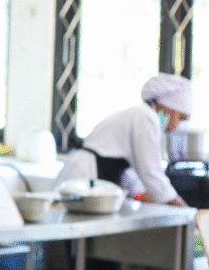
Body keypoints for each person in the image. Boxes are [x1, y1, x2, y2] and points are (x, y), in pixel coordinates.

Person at [54, 73, 192, 206]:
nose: (177, 125)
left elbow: (132, 174)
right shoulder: (146, 117)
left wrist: (149, 197)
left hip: (92, 174)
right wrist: (185, 211)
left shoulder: (141, 114)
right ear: (168, 106)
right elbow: (152, 174)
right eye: (180, 118)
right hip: (84, 175)